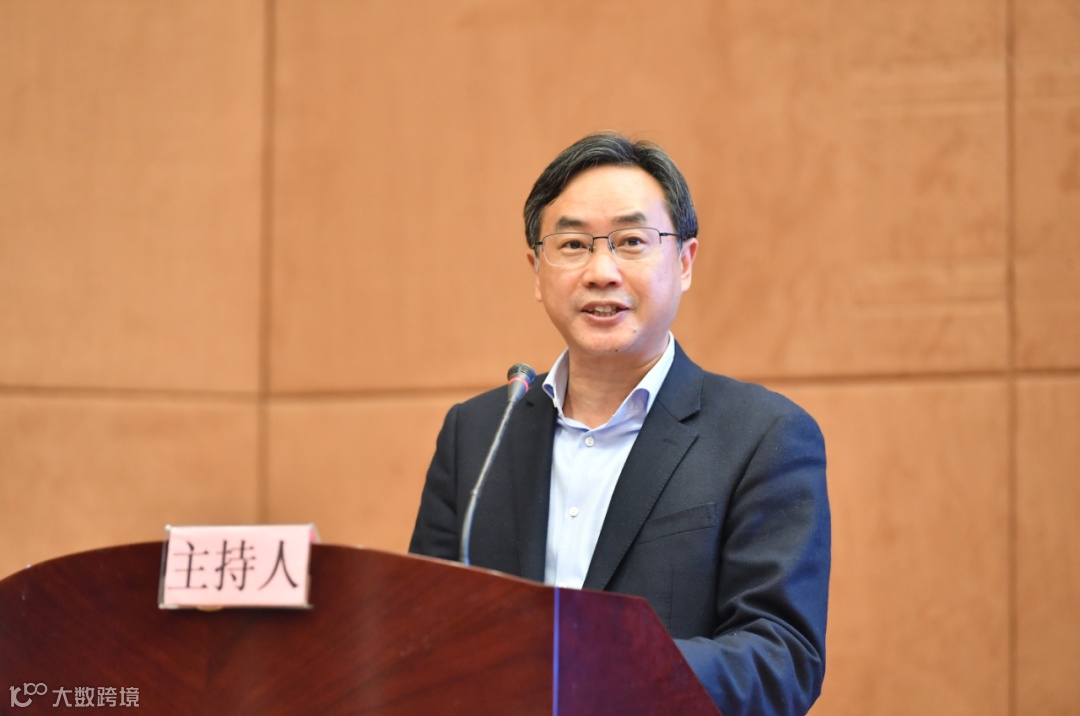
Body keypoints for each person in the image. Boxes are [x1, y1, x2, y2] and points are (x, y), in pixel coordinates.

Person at [409, 132, 830, 716]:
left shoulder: (763, 437)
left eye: (632, 241)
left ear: (684, 262)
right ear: (536, 271)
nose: (601, 271)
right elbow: (420, 635)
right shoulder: (478, 435)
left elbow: (781, 659)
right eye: (573, 245)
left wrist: (599, 665)